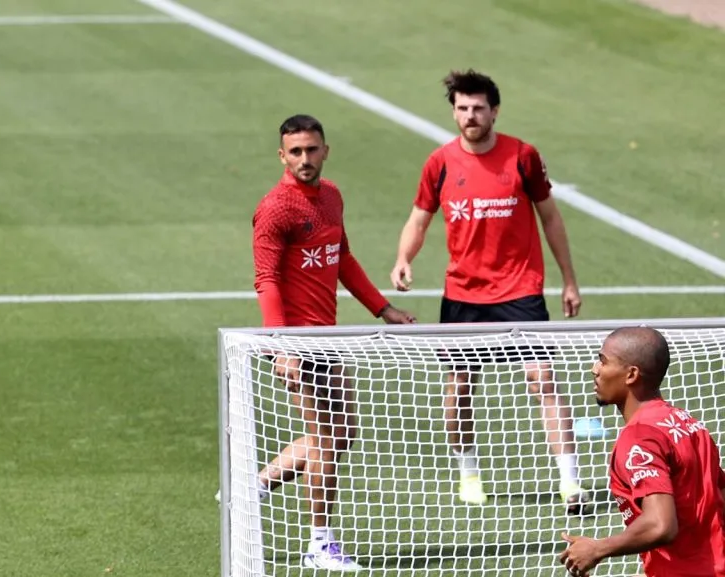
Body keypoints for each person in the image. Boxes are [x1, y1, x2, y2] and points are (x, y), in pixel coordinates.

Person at [389, 69, 590, 512]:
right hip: (464, 294)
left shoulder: (522, 156)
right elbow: (419, 219)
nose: (470, 115)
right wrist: (405, 258)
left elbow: (550, 217)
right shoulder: (439, 163)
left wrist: (568, 279)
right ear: (454, 112)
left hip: (520, 288)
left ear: (494, 110)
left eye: (479, 107)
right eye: (462, 108)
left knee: (544, 382)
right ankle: (468, 476)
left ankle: (571, 483)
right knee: (459, 387)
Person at [249, 114, 416, 571]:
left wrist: (384, 309)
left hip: (329, 337)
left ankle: (254, 484)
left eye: (312, 149)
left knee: (341, 434)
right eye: (296, 152)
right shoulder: (276, 208)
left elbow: (342, 259)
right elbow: (266, 280)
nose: (305, 159)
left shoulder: (332, 197)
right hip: (298, 342)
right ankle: (320, 543)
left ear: (326, 150)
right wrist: (281, 344)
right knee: (326, 438)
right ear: (282, 156)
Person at [560, 326, 725, 577]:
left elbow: (661, 525)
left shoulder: (640, 436)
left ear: (631, 375)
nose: (595, 369)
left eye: (603, 361)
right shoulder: (688, 423)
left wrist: (597, 549)